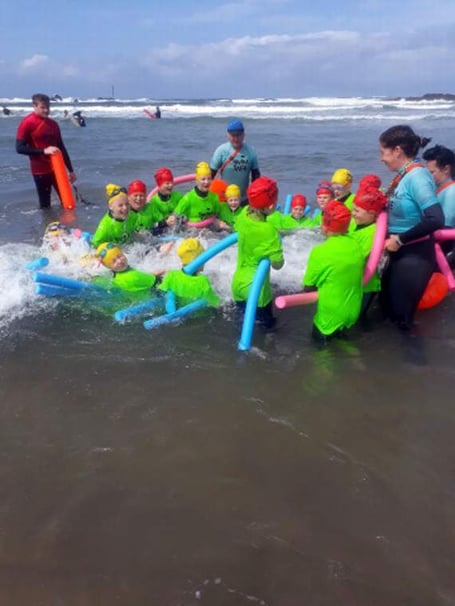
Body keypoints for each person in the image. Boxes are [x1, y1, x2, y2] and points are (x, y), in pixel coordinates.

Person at [379, 124, 444, 331]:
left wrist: (399, 239)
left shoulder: (417, 177)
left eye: (383, 152)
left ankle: (418, 353)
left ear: (397, 150)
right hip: (400, 252)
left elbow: (436, 219)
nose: (381, 158)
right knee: (386, 310)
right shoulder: (403, 175)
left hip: (414, 254)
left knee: (402, 320)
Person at [303, 200, 364, 343]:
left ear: (324, 226)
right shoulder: (356, 245)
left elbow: (308, 286)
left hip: (329, 316)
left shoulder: (320, 251)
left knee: (320, 350)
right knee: (342, 341)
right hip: (352, 312)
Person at [232, 176, 284, 329]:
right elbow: (278, 264)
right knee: (268, 328)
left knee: (243, 322)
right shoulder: (269, 230)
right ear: (270, 206)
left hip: (237, 284)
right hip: (257, 289)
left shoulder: (242, 215)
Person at [16, 93, 76, 209]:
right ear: (34, 106)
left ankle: (68, 221)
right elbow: (19, 148)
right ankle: (47, 221)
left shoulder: (53, 124)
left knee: (68, 203)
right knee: (45, 206)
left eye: (48, 107)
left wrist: (71, 170)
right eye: (43, 107)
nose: (46, 110)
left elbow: (61, 147)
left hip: (57, 169)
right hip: (40, 171)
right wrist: (44, 151)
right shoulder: (27, 123)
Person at [350, 184, 388, 319]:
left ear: (372, 213)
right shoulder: (356, 224)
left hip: (365, 286)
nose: (353, 213)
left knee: (356, 318)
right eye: (353, 209)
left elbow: (358, 258)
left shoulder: (373, 233)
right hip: (353, 282)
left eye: (357, 211)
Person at [210, 119, 260, 205]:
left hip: (243, 200)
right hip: (225, 200)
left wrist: (254, 199)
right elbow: (211, 175)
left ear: (243, 134)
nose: (236, 139)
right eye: (233, 135)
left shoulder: (251, 151)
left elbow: (256, 178)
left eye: (238, 135)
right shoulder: (221, 151)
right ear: (227, 135)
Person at [158, 238, 220, 307]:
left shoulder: (171, 275)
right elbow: (216, 303)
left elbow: (165, 295)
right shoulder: (203, 282)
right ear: (200, 260)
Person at [95, 242, 163, 296]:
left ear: (123, 253)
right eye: (114, 261)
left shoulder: (116, 277)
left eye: (119, 256)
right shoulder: (134, 276)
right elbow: (159, 281)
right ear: (109, 267)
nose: (119, 261)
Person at [422, 145, 455, 227]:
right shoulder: (440, 189)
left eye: (432, 172)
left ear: (446, 169)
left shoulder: (451, 192)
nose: (428, 176)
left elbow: (446, 224)